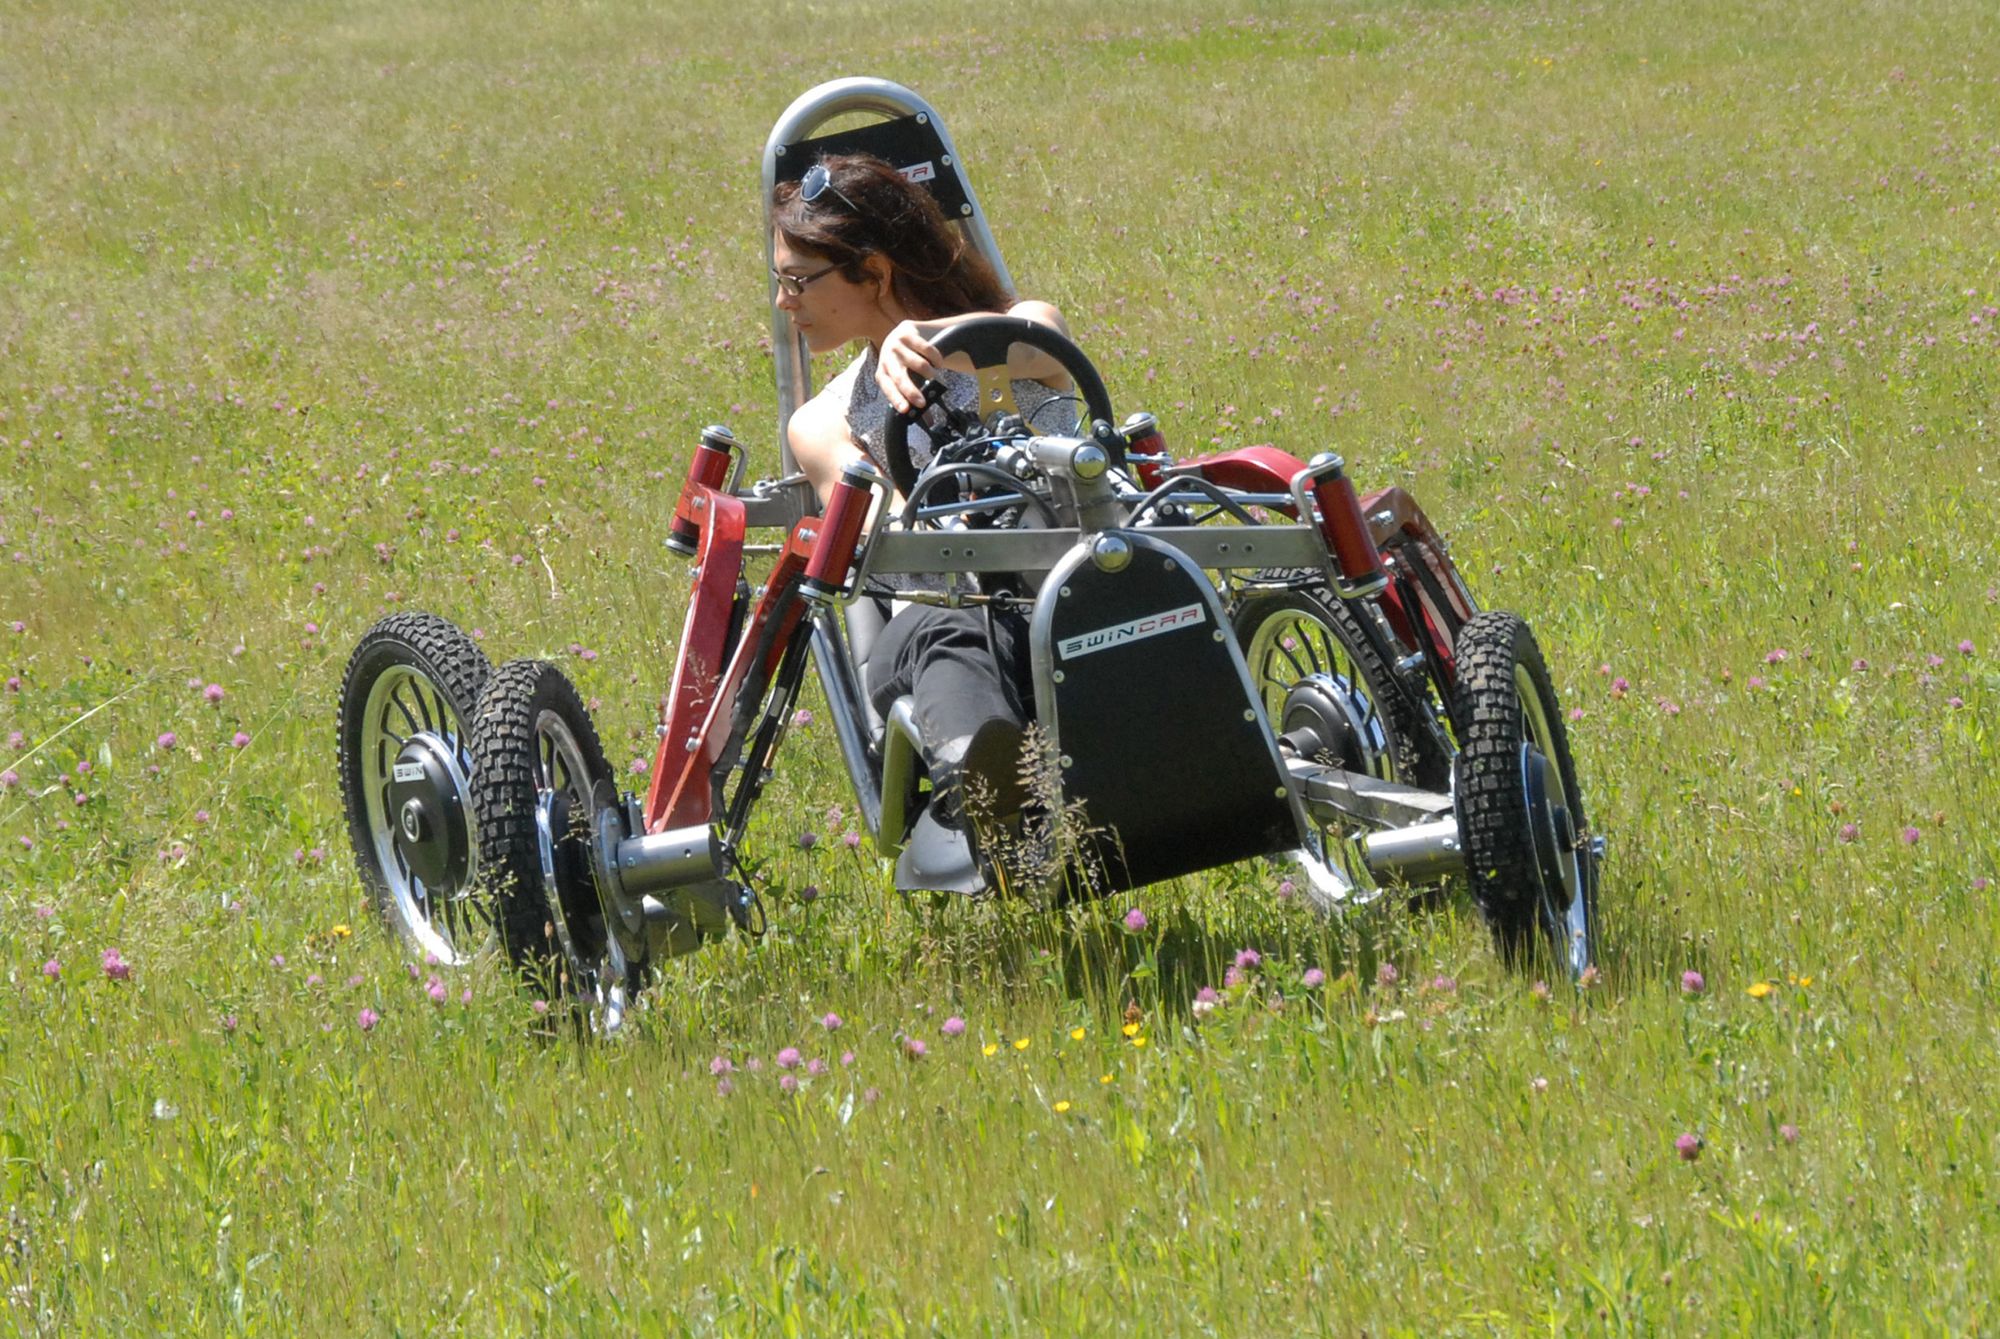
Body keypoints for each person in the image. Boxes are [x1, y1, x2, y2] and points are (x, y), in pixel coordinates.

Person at [771, 152, 1074, 843]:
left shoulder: (1024, 325)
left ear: (875, 273)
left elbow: (1044, 346)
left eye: (798, 281)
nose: (784, 302)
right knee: (944, 631)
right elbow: (884, 540)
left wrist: (929, 341)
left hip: (1076, 585)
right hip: (953, 620)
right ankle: (992, 796)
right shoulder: (824, 420)